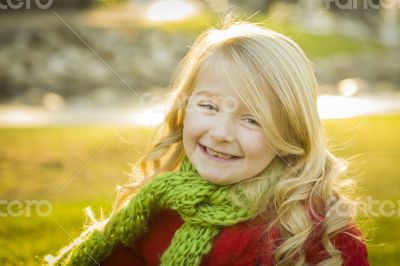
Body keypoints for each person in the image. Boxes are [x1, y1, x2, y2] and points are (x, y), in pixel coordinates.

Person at [46, 18, 369, 266]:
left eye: (252, 119)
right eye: (209, 107)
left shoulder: (312, 227)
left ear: (289, 134)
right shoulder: (161, 204)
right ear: (184, 107)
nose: (221, 133)